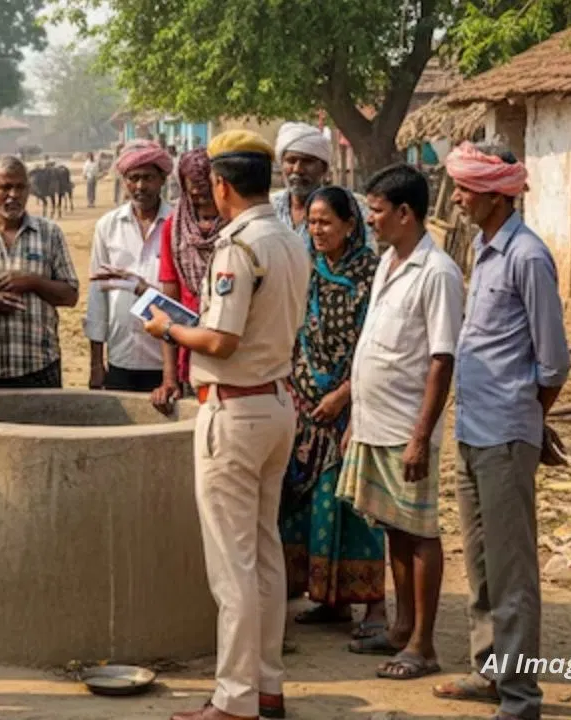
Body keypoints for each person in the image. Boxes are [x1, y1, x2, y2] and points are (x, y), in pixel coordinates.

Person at [150, 130, 311, 720]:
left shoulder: (237, 246)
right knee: (265, 553)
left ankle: (234, 698)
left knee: (233, 564)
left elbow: (220, 337)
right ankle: (267, 685)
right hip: (275, 402)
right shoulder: (289, 241)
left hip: (235, 408)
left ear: (221, 185)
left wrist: (167, 330)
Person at [431, 142, 570, 720]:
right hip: (473, 429)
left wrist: (529, 419)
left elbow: (553, 362)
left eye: (465, 189)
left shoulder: (527, 257)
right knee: (483, 564)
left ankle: (520, 697)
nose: (457, 199)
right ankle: (490, 671)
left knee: (513, 572)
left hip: (506, 433)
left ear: (494, 194)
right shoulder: (485, 250)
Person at [337, 164, 463, 682]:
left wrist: (419, 437)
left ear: (406, 213)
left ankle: (423, 643)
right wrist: (356, 416)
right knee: (393, 528)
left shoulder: (437, 273)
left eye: (377, 211)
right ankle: (401, 626)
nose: (371, 221)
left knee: (420, 532)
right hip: (375, 420)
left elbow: (441, 359)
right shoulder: (390, 260)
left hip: (406, 427)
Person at [278, 186, 387, 638]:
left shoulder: (371, 274)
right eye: (313, 222)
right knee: (306, 508)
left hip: (350, 407)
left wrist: (342, 396)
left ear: (349, 224)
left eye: (326, 222)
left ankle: (374, 608)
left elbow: (373, 345)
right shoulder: (305, 269)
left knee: (356, 505)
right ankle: (328, 600)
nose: (317, 230)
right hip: (305, 406)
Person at [0, 155, 79, 389]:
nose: (13, 195)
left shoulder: (49, 234)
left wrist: (33, 282)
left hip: (41, 366)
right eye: (4, 187)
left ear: (28, 190)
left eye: (19, 187)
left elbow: (70, 296)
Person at [85, 139, 173, 392]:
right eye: (133, 178)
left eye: (148, 178)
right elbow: (97, 297)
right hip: (121, 357)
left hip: (165, 362)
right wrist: (96, 364)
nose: (140, 186)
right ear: (124, 181)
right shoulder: (108, 226)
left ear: (162, 180)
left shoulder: (177, 225)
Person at [151, 148, 225, 409]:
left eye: (208, 196)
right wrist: (169, 378)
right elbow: (168, 307)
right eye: (196, 196)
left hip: (232, 357)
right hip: (189, 357)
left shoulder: (237, 228)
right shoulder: (174, 230)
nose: (203, 207)